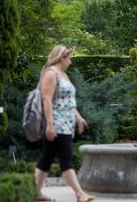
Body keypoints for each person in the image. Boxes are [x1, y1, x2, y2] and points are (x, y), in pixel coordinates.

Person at [35, 45, 94, 202]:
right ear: (61, 58)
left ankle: (35, 193)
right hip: (57, 124)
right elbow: (46, 100)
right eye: (69, 58)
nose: (71, 61)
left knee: (46, 159)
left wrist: (79, 118)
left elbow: (68, 102)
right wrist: (50, 124)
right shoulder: (51, 74)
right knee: (66, 159)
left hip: (66, 124)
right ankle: (80, 194)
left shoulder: (64, 75)